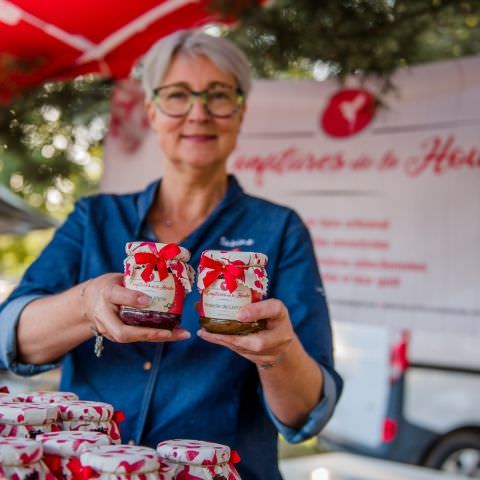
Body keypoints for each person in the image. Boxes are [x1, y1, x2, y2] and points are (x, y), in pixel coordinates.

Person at [0, 30, 342, 479]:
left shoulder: (278, 231)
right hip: (92, 469)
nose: (198, 113)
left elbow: (306, 415)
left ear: (239, 113)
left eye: (218, 95)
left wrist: (277, 353)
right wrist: (87, 305)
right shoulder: (96, 219)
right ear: (152, 111)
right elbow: (10, 336)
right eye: (178, 95)